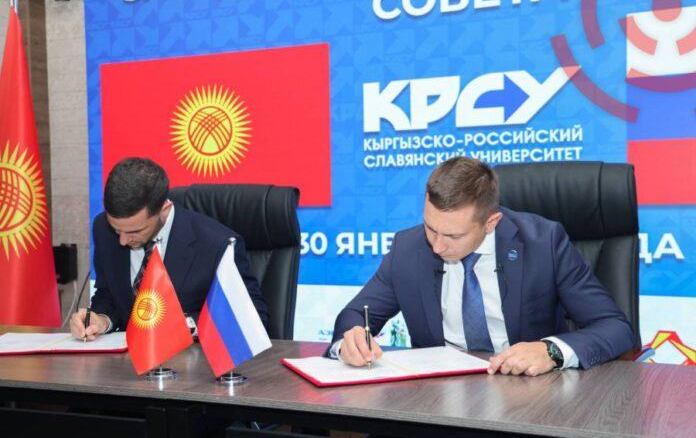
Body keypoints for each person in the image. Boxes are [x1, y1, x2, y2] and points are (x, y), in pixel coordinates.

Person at [328, 156, 634, 376]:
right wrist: (349, 342)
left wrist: (550, 351)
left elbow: (615, 328)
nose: (437, 246)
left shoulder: (544, 243)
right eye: (430, 228)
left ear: (491, 222)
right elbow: (354, 315)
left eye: (453, 236)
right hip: (434, 403)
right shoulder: (407, 248)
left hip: (529, 397)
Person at [70, 157, 269, 340]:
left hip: (189, 361)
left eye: (136, 231)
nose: (122, 240)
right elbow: (108, 294)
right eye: (117, 230)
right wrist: (101, 320)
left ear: (164, 208)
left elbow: (253, 318)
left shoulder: (217, 244)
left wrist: (184, 325)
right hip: (124, 361)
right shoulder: (102, 229)